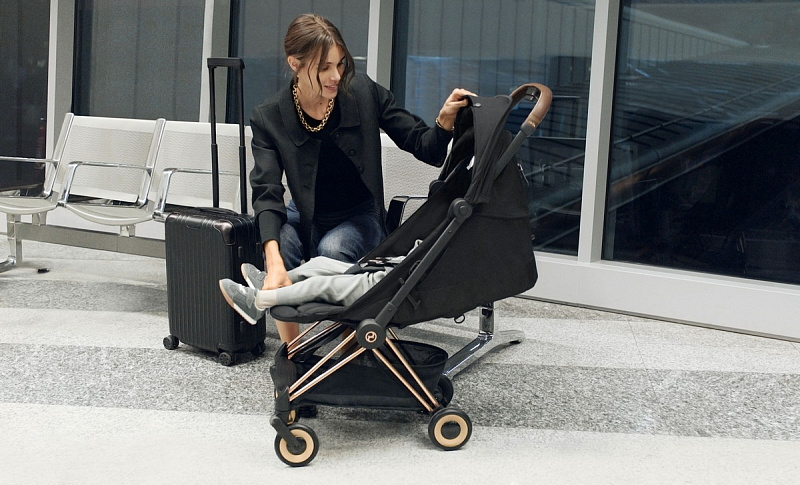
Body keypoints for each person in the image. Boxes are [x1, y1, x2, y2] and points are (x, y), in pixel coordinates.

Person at [249, 13, 474, 343]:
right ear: (295, 64)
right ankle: (292, 351)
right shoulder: (269, 116)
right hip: (304, 214)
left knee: (332, 248)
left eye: (340, 64)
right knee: (279, 247)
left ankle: (344, 349)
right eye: (324, 67)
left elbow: (421, 143)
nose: (336, 76)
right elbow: (266, 190)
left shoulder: (363, 92)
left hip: (359, 216)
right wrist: (273, 261)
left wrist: (443, 122)